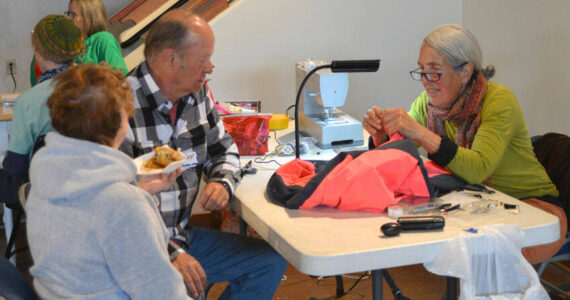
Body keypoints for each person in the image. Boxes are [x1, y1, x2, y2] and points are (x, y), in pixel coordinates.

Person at [363, 24, 566, 264]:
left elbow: (478, 169)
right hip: (478, 203)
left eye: (435, 71)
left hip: (534, 207)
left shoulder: (498, 100)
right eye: (421, 70)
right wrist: (381, 138)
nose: (426, 82)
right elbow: (398, 163)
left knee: (481, 256)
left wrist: (420, 133)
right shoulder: (428, 105)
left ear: (465, 72)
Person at [120, 10, 287, 299]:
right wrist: (171, 253)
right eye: (203, 60)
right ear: (171, 59)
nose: (210, 67)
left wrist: (222, 181)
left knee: (269, 262)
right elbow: (114, 208)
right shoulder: (118, 106)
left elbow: (224, 148)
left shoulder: (196, 93)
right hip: (136, 250)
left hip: (182, 236)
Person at [26, 63, 189, 299]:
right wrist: (136, 201)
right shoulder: (124, 204)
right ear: (122, 118)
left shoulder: (44, 174)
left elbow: (87, 232)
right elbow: (163, 293)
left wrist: (140, 191)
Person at [0, 15, 85, 205]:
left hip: (45, 191)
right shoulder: (99, 86)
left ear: (39, 53)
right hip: (91, 184)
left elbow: (15, 167)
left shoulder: (29, 101)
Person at [30, 0, 127, 86]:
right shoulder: (68, 44)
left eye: (72, 14)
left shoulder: (103, 39)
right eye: (68, 13)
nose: (68, 18)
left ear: (89, 18)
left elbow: (120, 79)